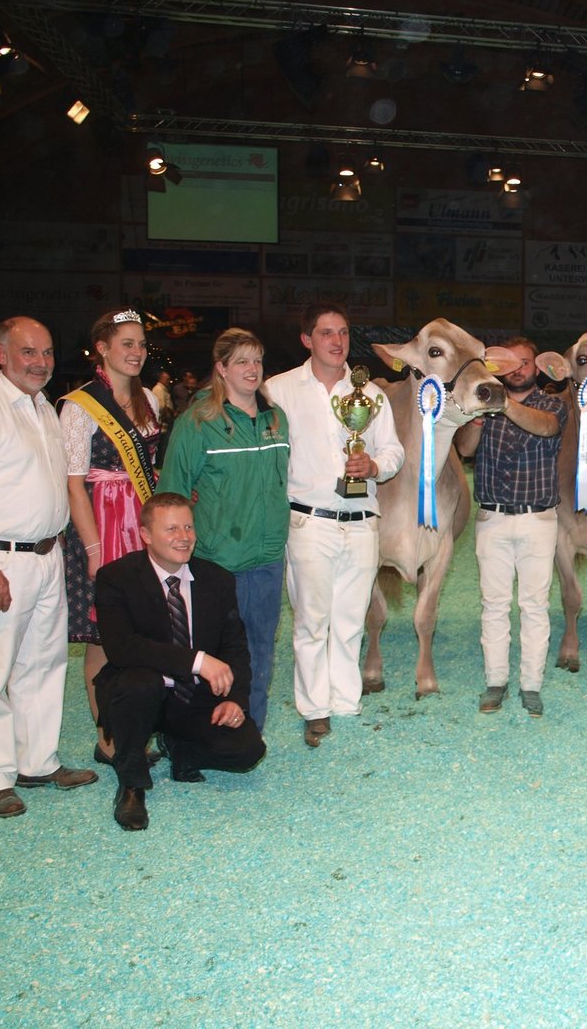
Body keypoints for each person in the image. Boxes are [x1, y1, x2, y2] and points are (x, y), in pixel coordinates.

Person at [0, 317, 97, 818]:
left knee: (44, 664)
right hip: (1, 558)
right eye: (27, 352)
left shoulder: (44, 409)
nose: (40, 362)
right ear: (1, 355)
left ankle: (38, 761)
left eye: (46, 352)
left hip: (47, 556)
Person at [264, 301, 404, 748]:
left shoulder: (371, 394)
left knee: (350, 619)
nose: (337, 341)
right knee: (311, 621)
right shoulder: (278, 390)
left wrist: (374, 465)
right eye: (327, 333)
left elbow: (395, 453)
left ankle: (345, 699)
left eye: (343, 332)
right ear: (307, 340)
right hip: (309, 520)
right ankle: (314, 708)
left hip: (362, 520)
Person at [95, 493, 266, 831]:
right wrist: (197, 661)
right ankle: (132, 783)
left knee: (247, 750)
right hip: (141, 695)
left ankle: (179, 747)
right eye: (171, 529)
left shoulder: (217, 579)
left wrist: (236, 700)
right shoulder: (116, 578)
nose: (184, 536)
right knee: (139, 683)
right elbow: (122, 648)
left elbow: (235, 648)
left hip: (194, 700)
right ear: (145, 535)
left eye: (188, 526)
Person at [157, 328, 291, 732]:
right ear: (221, 368)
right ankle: (205, 733)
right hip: (219, 562)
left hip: (267, 558)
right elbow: (173, 492)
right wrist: (173, 558)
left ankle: (250, 731)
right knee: (214, 653)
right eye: (242, 362)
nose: (252, 370)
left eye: (257, 361)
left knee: (261, 650)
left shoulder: (275, 418)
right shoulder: (198, 422)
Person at [60, 308, 162, 764]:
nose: (137, 352)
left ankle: (138, 728)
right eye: (127, 344)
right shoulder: (79, 406)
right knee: (102, 637)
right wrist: (94, 550)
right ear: (102, 348)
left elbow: (149, 467)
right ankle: (109, 739)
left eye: (141, 344)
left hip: (142, 524)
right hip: (100, 524)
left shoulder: (151, 402)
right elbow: (74, 484)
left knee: (146, 632)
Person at [454, 336, 566, 717]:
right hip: (492, 518)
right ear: (499, 367)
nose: (518, 369)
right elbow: (466, 449)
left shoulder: (552, 404)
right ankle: (496, 681)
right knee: (494, 606)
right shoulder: (485, 405)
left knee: (535, 606)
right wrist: (481, 412)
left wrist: (502, 403)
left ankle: (531, 685)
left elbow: (547, 428)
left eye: (526, 362)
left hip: (538, 519)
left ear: (536, 368)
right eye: (510, 363)